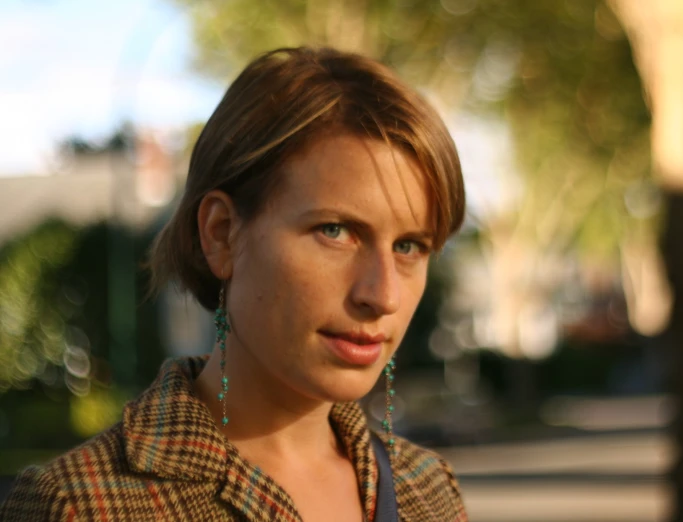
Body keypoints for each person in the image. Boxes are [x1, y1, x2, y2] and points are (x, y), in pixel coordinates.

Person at [0, 46, 467, 521]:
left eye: (409, 247)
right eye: (335, 231)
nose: (382, 295)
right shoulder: (79, 507)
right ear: (221, 234)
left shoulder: (426, 490)